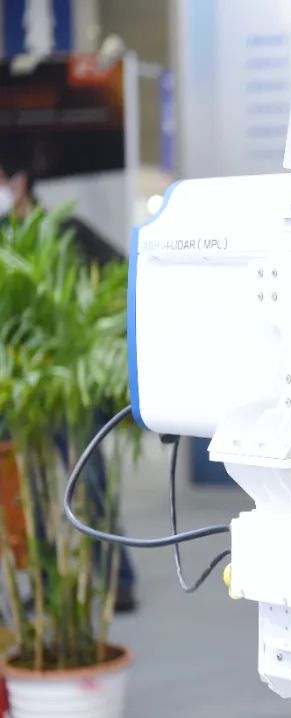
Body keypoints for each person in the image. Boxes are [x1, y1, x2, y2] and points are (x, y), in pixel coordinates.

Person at [0, 153, 137, 612]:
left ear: (19, 183)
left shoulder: (66, 230)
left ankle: (117, 580)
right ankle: (45, 587)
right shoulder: (4, 243)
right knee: (32, 492)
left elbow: (120, 274)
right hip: (25, 393)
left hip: (73, 388)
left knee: (90, 483)